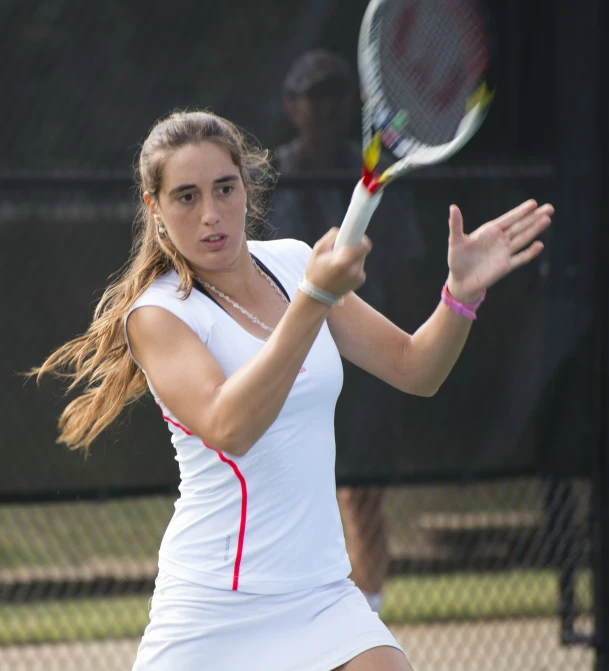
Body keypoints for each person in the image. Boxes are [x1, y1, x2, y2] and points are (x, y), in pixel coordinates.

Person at [33, 110, 553, 671]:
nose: (211, 214)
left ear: (245, 186)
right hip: (213, 608)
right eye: (186, 196)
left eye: (224, 188)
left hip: (321, 594)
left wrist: (460, 294)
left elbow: (416, 369)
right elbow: (232, 428)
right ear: (153, 207)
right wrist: (313, 299)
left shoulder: (292, 262)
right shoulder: (157, 315)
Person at [271, 48, 426, 612]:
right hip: (293, 360)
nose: (327, 106)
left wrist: (395, 352)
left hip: (363, 360)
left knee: (360, 494)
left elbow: (405, 268)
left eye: (336, 94)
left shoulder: (377, 178)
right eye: (314, 96)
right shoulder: (269, 179)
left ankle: (370, 618)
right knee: (302, 497)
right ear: (292, 107)